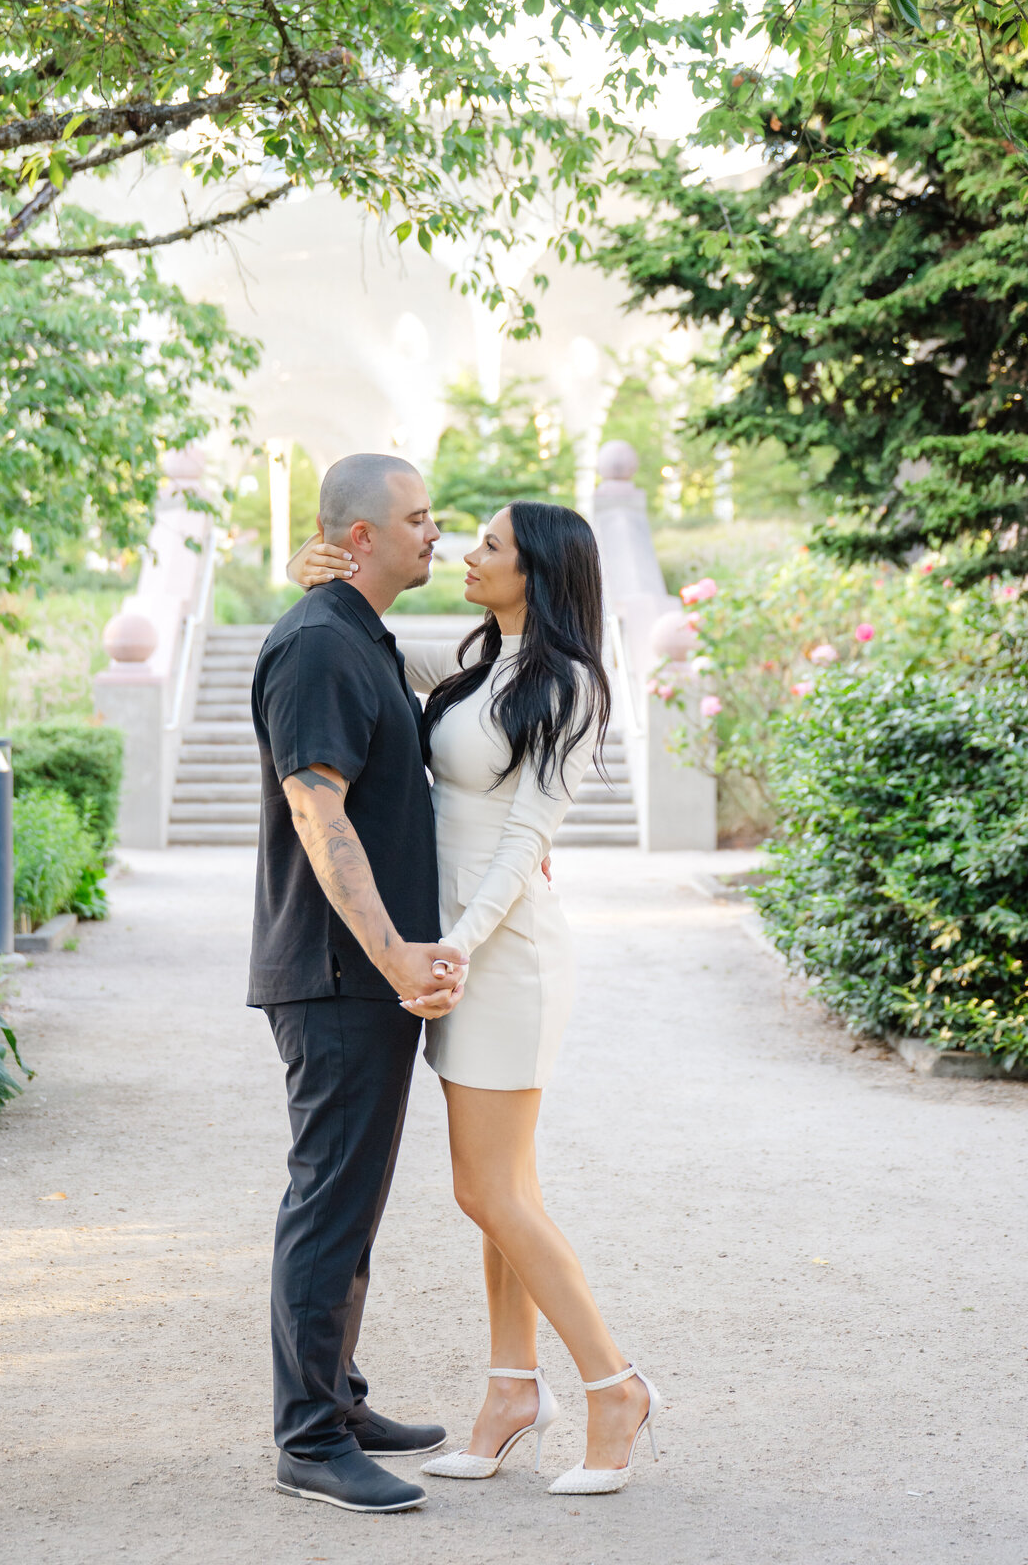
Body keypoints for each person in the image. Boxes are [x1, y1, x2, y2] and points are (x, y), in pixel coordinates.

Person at [289, 495, 660, 1496]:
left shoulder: (569, 685)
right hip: (455, 956)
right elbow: (374, 662)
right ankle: (509, 1394)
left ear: (535, 569)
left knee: (486, 1190)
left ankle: (613, 1386)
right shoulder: (475, 668)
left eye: (489, 544)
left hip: (502, 956)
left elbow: (523, 841)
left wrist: (449, 945)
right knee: (505, 1194)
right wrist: (323, 581)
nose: (463, 550)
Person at [249, 453, 467, 1515]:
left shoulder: (357, 634)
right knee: (329, 1202)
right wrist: (392, 956)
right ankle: (307, 1441)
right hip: (339, 973)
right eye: (421, 519)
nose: (441, 534)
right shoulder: (320, 644)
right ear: (365, 535)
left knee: (353, 1202)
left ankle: (335, 1399)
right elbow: (317, 812)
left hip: (360, 975)